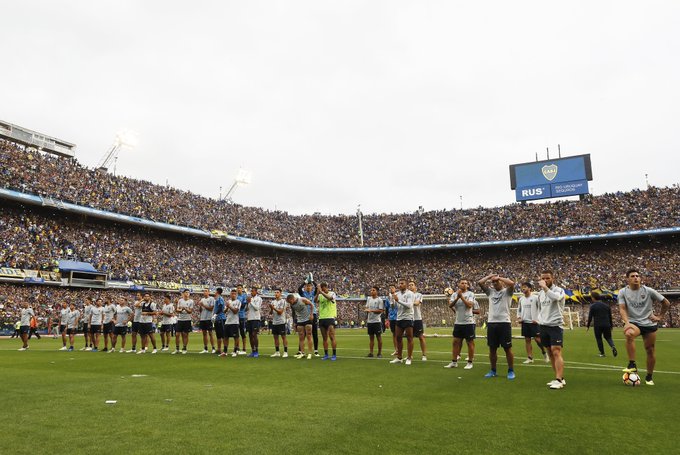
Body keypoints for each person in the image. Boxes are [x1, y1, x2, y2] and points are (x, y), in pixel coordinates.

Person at [619, 269, 670, 386]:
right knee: (629, 333)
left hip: (649, 323)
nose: (636, 278)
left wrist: (660, 316)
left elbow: (666, 303)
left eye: (637, 276)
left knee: (650, 350)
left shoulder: (649, 291)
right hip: (634, 322)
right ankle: (632, 364)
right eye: (632, 276)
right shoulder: (623, 292)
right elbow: (622, 308)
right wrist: (626, 322)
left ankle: (649, 376)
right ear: (628, 279)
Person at [478, 274, 516, 380]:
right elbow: (480, 283)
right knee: (492, 349)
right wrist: (490, 276)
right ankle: (493, 370)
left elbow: (512, 283)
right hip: (492, 323)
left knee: (507, 349)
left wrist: (499, 278)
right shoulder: (490, 292)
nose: (494, 283)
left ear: (501, 282)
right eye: (493, 282)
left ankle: (511, 370)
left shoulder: (507, 292)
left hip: (504, 323)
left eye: (496, 282)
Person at [537, 270, 567, 389]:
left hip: (555, 325)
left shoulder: (559, 290)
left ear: (552, 278)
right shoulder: (540, 293)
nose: (545, 280)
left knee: (556, 351)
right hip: (544, 326)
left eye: (547, 278)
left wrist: (545, 288)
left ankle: (558, 380)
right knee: (549, 352)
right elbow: (540, 308)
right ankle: (559, 378)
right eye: (543, 278)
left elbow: (555, 298)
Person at [445, 279, 477, 370]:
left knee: (470, 342)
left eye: (466, 283)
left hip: (468, 322)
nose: (464, 284)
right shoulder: (455, 294)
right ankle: (454, 362)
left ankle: (470, 362)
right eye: (462, 283)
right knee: (455, 342)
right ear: (459, 284)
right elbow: (450, 305)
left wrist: (461, 297)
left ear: (468, 285)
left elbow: (470, 305)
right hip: (458, 322)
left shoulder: (471, 294)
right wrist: (457, 298)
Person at [517, 282, 547, 364]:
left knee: (537, 339)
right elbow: (519, 310)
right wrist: (519, 317)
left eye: (525, 287)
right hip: (525, 322)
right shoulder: (521, 299)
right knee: (527, 340)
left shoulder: (535, 298)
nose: (523, 288)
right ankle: (530, 358)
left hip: (534, 323)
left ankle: (544, 353)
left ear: (530, 288)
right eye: (522, 287)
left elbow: (541, 308)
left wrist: (538, 319)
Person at [389, 279, 415, 365]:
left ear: (406, 285)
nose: (400, 285)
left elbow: (409, 305)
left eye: (402, 283)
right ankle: (399, 357)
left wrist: (398, 300)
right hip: (399, 318)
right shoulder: (397, 294)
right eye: (399, 283)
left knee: (409, 338)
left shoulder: (410, 294)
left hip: (408, 318)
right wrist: (392, 300)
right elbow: (393, 307)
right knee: (398, 338)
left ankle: (409, 357)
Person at [587, 290, 617, 358]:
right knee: (608, 337)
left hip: (598, 325)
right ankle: (613, 346)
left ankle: (602, 353)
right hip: (607, 324)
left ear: (593, 298)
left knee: (599, 338)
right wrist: (611, 325)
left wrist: (588, 325)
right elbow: (610, 316)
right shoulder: (606, 306)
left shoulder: (593, 306)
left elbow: (590, 317)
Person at [286, 293, 315, 359]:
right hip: (299, 320)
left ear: (292, 299)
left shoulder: (302, 299)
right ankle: (302, 353)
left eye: (290, 301)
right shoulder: (291, 304)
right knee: (301, 337)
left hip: (307, 319)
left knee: (309, 335)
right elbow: (293, 313)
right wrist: (294, 322)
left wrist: (311, 314)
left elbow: (311, 305)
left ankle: (310, 353)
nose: (290, 303)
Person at [316, 282, 338, 361]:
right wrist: (318, 293)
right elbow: (315, 301)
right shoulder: (320, 295)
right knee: (324, 338)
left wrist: (321, 292)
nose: (322, 289)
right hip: (322, 318)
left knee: (332, 337)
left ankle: (334, 354)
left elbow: (330, 298)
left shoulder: (332, 293)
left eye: (323, 288)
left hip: (330, 317)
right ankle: (326, 354)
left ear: (326, 287)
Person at [298, 276, 320, 356]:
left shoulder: (313, 293)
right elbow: (299, 289)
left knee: (314, 333)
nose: (308, 287)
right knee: (302, 334)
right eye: (307, 286)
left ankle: (316, 350)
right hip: (304, 315)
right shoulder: (303, 293)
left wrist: (313, 281)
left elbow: (318, 287)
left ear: (311, 287)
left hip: (313, 314)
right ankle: (300, 350)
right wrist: (305, 281)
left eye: (309, 286)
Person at [409, 281, 427, 361]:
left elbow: (417, 303)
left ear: (415, 287)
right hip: (409, 319)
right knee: (410, 338)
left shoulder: (419, 295)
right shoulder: (407, 295)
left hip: (417, 319)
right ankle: (410, 355)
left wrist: (408, 303)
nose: (410, 286)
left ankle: (424, 355)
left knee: (421, 337)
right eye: (409, 285)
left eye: (412, 285)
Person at [268, 288, 289, 358]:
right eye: (275, 292)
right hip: (275, 322)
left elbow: (280, 312)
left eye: (277, 292)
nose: (276, 294)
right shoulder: (273, 302)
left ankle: (285, 352)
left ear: (280, 293)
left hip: (281, 322)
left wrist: (273, 308)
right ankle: (277, 352)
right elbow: (271, 313)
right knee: (275, 338)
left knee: (283, 337)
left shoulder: (283, 301)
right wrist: (271, 309)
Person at [364, 286, 384, 358]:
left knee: (379, 337)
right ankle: (371, 353)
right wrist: (366, 309)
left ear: (377, 291)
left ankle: (379, 353)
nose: (371, 291)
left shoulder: (380, 300)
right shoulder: (369, 299)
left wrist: (371, 310)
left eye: (373, 290)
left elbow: (381, 310)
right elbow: (366, 307)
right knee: (371, 338)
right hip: (370, 321)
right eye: (371, 290)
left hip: (377, 321)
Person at [175, 289, 194, 354]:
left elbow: (190, 311)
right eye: (186, 292)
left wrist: (184, 308)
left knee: (185, 334)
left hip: (187, 320)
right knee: (177, 334)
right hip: (180, 319)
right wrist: (181, 309)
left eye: (188, 293)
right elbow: (177, 310)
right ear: (183, 293)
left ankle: (184, 348)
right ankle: (177, 348)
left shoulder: (191, 301)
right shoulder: (180, 300)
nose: (187, 294)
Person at [197, 289, 216, 354]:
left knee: (210, 333)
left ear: (208, 292)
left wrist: (203, 305)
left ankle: (213, 348)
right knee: (204, 334)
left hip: (209, 318)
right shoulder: (202, 300)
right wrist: (200, 306)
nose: (204, 292)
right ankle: (205, 348)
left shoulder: (211, 299)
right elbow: (200, 310)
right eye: (204, 291)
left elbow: (211, 309)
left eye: (206, 291)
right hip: (202, 318)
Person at [224, 289, 242, 357]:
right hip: (227, 321)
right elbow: (224, 311)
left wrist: (229, 306)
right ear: (230, 294)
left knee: (236, 337)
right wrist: (226, 308)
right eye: (232, 294)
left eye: (235, 294)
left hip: (234, 322)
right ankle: (225, 351)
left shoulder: (238, 302)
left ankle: (235, 350)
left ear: (236, 295)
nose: (233, 295)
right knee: (226, 337)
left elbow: (235, 311)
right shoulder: (228, 301)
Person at [246, 286, 262, 357]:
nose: (251, 292)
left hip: (255, 318)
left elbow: (256, 308)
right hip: (249, 319)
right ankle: (253, 351)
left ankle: (256, 351)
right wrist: (247, 303)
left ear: (256, 292)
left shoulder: (258, 299)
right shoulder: (250, 299)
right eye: (251, 291)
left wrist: (250, 302)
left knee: (254, 334)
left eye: (252, 291)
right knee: (250, 335)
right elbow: (247, 309)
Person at [212, 288, 226, 356]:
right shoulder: (217, 299)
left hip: (221, 318)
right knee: (218, 335)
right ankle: (219, 349)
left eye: (215, 291)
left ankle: (224, 350)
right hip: (217, 319)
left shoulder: (220, 298)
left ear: (217, 292)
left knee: (222, 334)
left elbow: (220, 308)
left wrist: (215, 314)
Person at [386, 286, 399, 356]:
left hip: (398, 317)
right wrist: (387, 319)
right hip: (392, 318)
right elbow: (387, 309)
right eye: (390, 288)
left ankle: (400, 350)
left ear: (395, 289)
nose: (391, 289)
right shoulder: (388, 298)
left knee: (399, 335)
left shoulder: (398, 296)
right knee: (394, 334)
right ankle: (396, 350)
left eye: (392, 288)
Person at [236, 284, 249, 355]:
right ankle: (237, 348)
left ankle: (244, 349)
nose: (238, 289)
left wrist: (237, 305)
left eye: (240, 288)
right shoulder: (236, 296)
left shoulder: (244, 296)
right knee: (236, 333)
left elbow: (243, 306)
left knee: (242, 333)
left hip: (241, 316)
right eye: (237, 288)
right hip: (235, 316)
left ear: (242, 289)